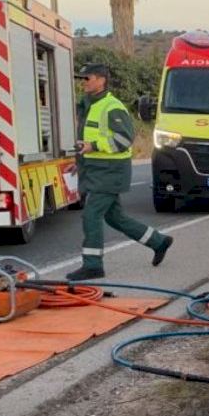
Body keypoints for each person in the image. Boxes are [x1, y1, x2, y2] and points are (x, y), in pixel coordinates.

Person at [66, 64, 172, 281]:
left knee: (91, 215)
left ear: (101, 80)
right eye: (81, 79)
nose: (83, 82)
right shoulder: (90, 105)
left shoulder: (112, 106)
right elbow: (88, 141)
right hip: (97, 170)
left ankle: (93, 265)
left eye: (87, 78)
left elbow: (124, 139)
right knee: (115, 217)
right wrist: (80, 162)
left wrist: (94, 146)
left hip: (110, 172)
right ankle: (158, 241)